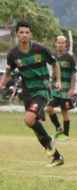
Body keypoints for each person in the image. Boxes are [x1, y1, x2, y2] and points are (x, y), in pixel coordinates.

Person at [0, 21, 64, 166]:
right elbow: (8, 73)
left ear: (31, 35)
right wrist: (1, 84)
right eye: (21, 32)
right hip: (28, 93)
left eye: (27, 32)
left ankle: (50, 143)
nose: (24, 35)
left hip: (42, 89)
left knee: (29, 119)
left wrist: (58, 80)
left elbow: (55, 63)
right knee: (33, 125)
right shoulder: (13, 54)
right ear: (17, 34)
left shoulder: (40, 49)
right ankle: (56, 156)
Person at [47, 35, 77, 140]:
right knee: (49, 108)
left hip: (65, 90)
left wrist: (72, 89)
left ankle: (66, 135)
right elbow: (53, 72)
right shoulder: (53, 57)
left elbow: (73, 74)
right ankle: (58, 128)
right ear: (55, 44)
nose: (61, 45)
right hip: (56, 90)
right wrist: (51, 82)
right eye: (59, 42)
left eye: (63, 43)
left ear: (66, 45)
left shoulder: (70, 58)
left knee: (64, 112)